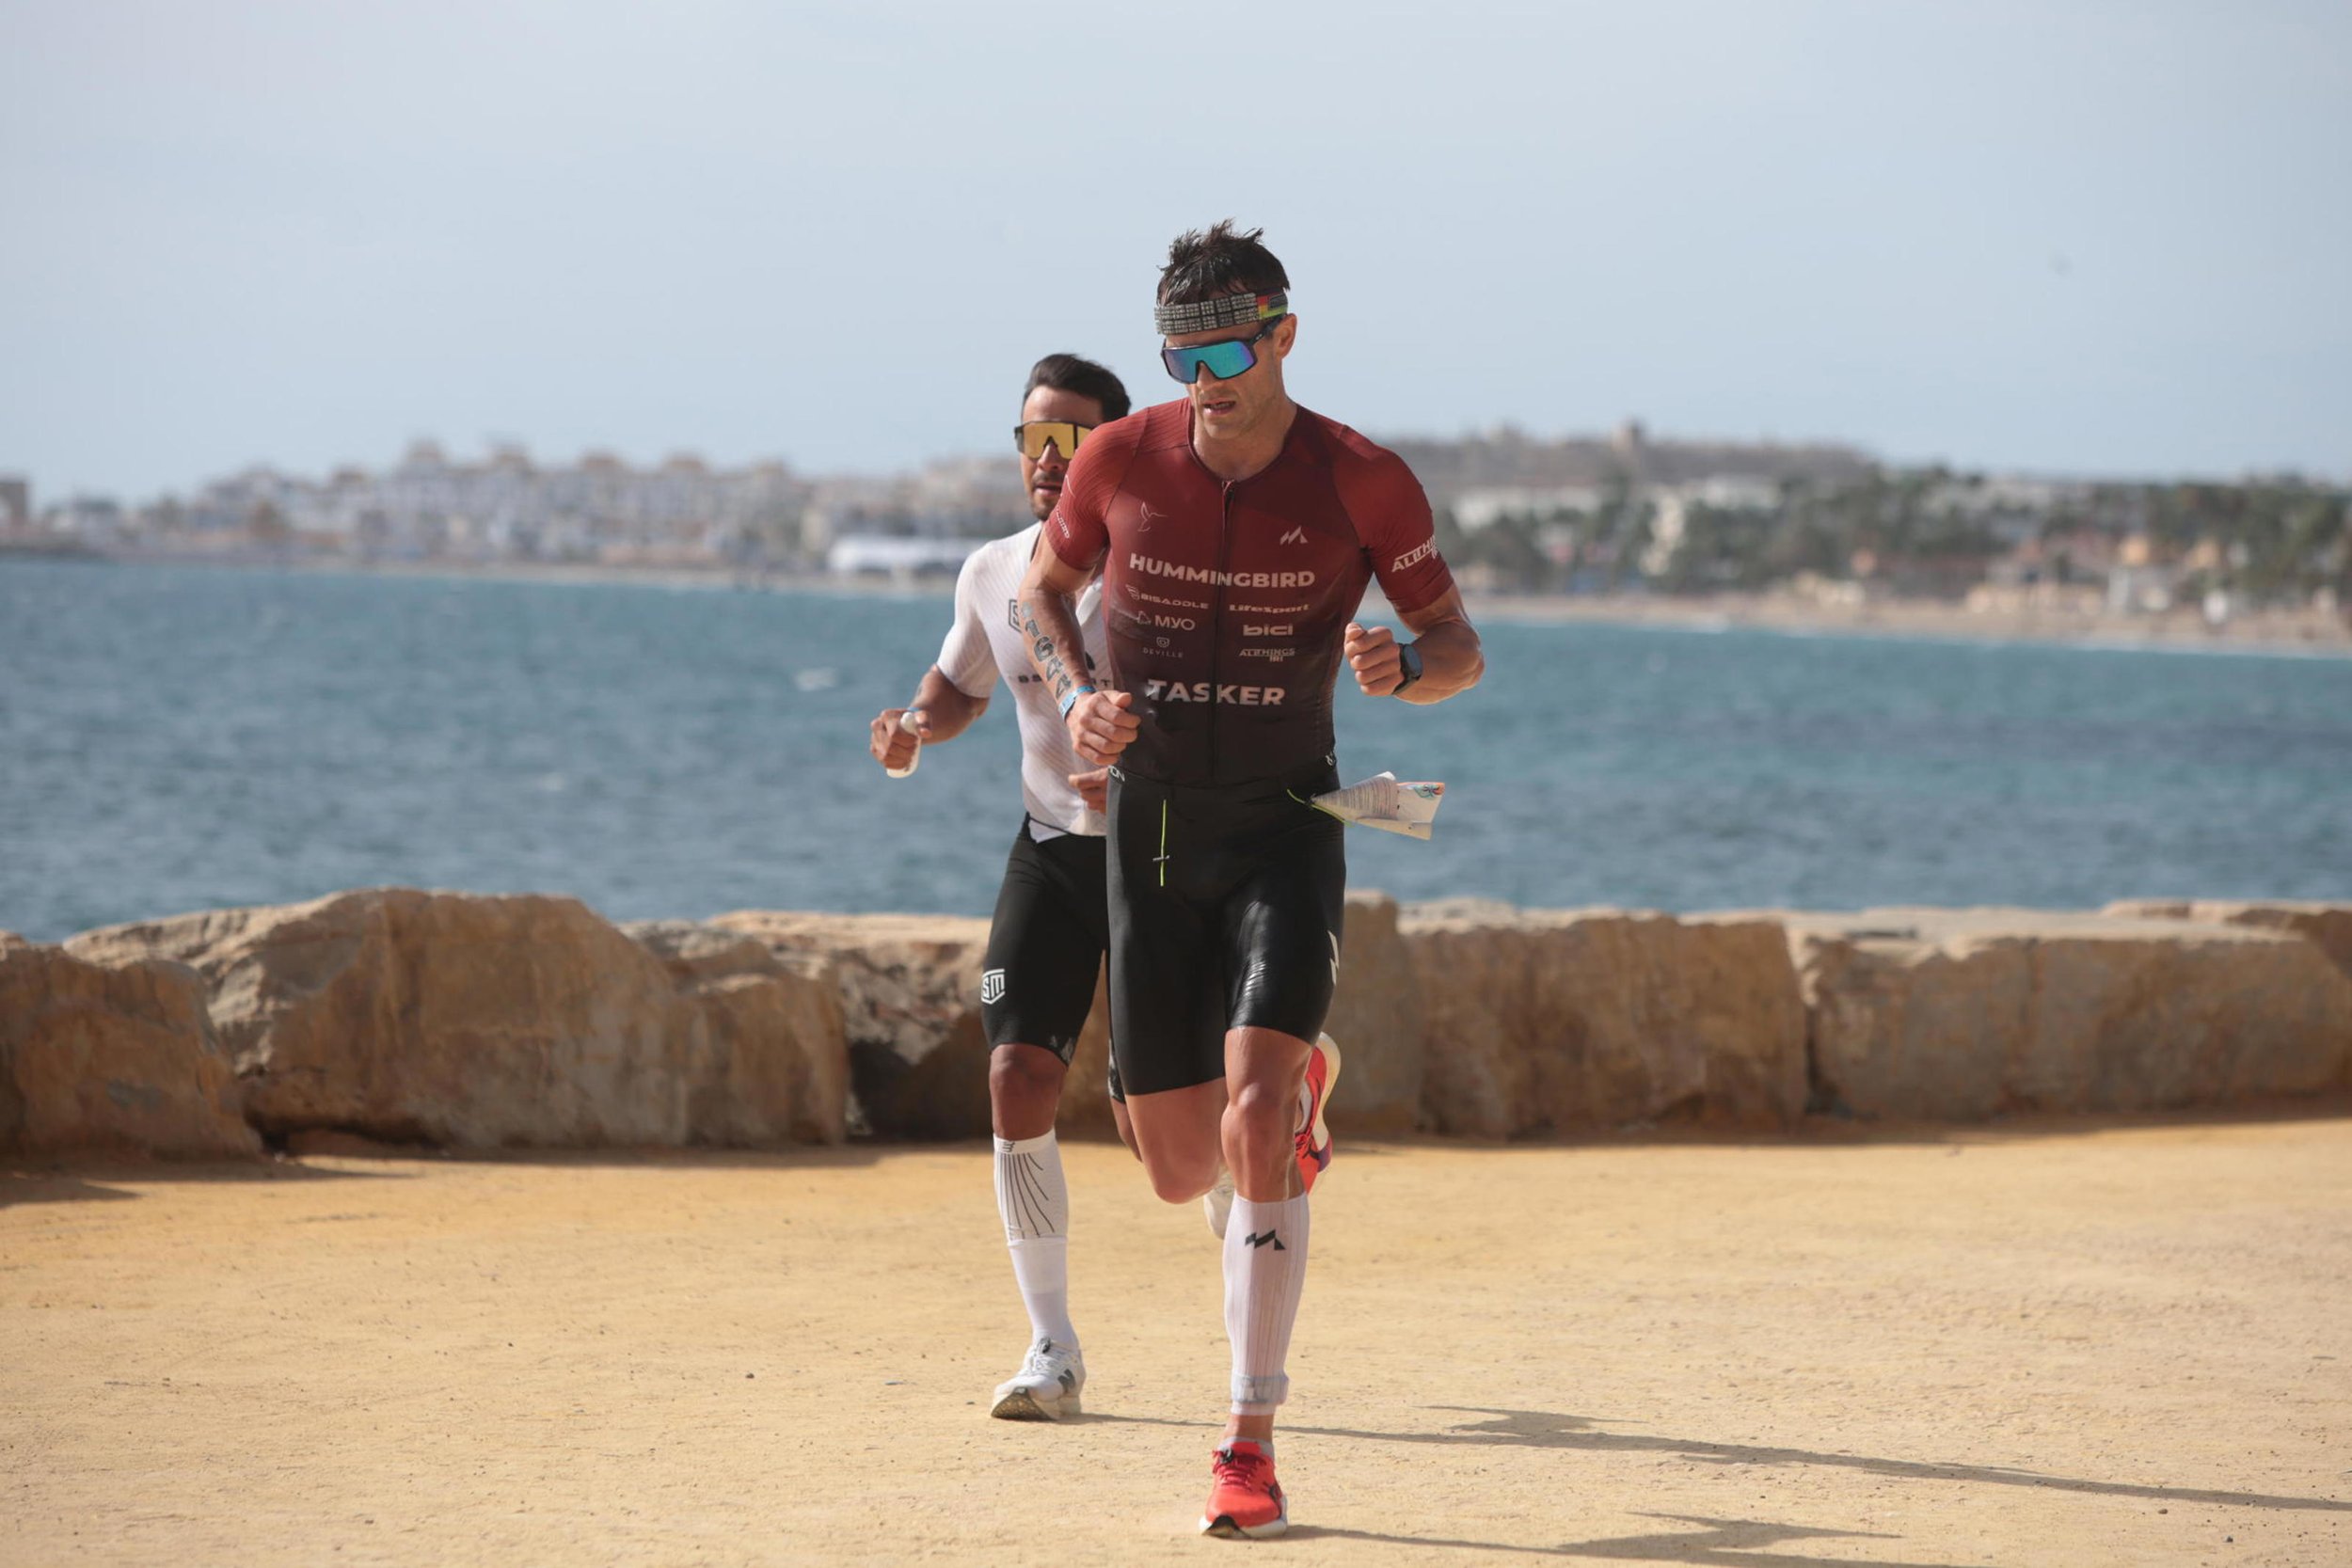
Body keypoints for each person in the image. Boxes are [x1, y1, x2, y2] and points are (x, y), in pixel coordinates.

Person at [1017, 222, 1485, 1538]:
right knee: (1175, 1168)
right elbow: (1045, 597)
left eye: (1226, 347)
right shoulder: (1121, 456)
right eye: (1180, 352)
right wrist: (1082, 695)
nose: (1203, 374)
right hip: (1154, 827)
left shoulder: (1362, 478)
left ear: (1283, 333)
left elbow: (1459, 646)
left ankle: (1249, 1439)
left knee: (1257, 1111)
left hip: (1291, 817)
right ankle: (1291, 1098)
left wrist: (1409, 667)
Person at [867, 351, 1133, 1423]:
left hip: (1162, 851)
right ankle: (1051, 1344)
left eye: (1070, 437)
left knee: (1167, 1113)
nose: (1047, 458)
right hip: (1052, 848)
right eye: (1033, 437)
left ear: (1113, 448)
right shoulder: (991, 570)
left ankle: (1260, 1132)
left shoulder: (1161, 567)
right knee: (1017, 1072)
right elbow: (957, 686)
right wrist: (912, 728)